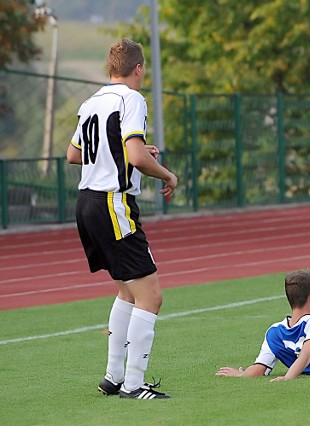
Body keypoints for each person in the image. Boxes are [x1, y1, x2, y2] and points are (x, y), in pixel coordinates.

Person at [66, 39, 178, 400]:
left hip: (87, 202)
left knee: (127, 293)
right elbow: (134, 155)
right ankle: (134, 384)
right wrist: (166, 174)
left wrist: (128, 151)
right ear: (139, 68)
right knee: (152, 297)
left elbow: (73, 154)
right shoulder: (132, 99)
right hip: (114, 203)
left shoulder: (92, 101)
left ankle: (113, 377)